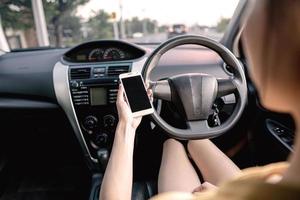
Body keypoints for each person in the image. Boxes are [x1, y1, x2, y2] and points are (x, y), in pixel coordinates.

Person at [99, 0, 300, 199]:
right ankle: (190, 142)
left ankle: (179, 143)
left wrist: (127, 126)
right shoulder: (274, 179)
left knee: (173, 144)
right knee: (196, 141)